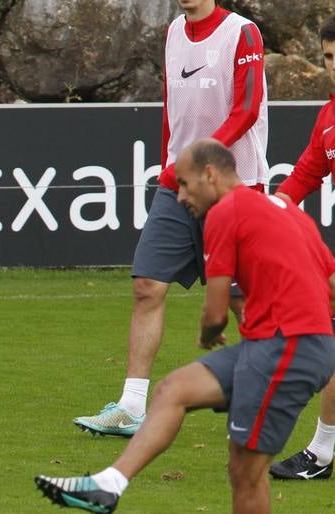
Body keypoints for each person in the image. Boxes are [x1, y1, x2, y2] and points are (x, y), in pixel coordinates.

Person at [38, 140, 335, 514]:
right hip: (286, 344)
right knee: (173, 391)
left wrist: (209, 334)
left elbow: (216, 310)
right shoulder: (286, 211)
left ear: (212, 175)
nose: (179, 197)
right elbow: (331, 285)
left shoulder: (223, 214)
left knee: (247, 474)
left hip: (287, 347)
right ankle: (107, 485)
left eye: (183, 184)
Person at [75, 0, 267, 436]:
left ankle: (264, 400)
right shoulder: (173, 33)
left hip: (234, 187)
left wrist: (199, 158)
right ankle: (131, 405)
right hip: (177, 184)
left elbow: (248, 108)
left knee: (243, 302)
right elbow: (170, 108)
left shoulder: (243, 32)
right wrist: (173, 163)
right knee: (146, 285)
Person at [266, 15, 335, 481]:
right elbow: (308, 171)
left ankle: (322, 452)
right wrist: (275, 206)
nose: (334, 66)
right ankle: (322, 452)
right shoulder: (329, 116)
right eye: (329, 58)